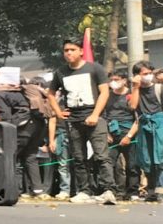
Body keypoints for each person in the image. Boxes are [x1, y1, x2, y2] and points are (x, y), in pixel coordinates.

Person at [47, 39, 116, 204]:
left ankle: (108, 190)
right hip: (73, 119)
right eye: (66, 50)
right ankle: (84, 190)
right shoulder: (61, 72)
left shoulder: (95, 68)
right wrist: (58, 112)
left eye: (72, 49)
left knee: (101, 156)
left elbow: (105, 93)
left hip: (95, 117)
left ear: (81, 51)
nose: (68, 53)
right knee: (78, 157)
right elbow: (50, 94)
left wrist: (95, 114)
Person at [0, 72, 45, 198]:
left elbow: (6, 117)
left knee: (10, 156)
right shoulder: (9, 90)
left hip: (23, 126)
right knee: (30, 155)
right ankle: (38, 190)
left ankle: (9, 189)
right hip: (36, 124)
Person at [128, 61, 163, 203]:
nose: (148, 76)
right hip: (144, 124)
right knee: (146, 159)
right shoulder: (135, 90)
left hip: (159, 123)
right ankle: (151, 190)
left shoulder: (160, 88)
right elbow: (133, 106)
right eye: (144, 74)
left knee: (162, 159)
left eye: (150, 73)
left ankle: (161, 191)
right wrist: (135, 87)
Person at [102, 69, 141, 201]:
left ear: (124, 80)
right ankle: (111, 190)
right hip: (111, 133)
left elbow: (137, 119)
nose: (113, 82)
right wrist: (106, 133)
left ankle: (133, 192)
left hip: (129, 133)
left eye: (116, 79)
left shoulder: (131, 95)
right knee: (109, 163)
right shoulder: (106, 95)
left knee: (132, 165)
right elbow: (103, 116)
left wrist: (129, 136)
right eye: (111, 80)